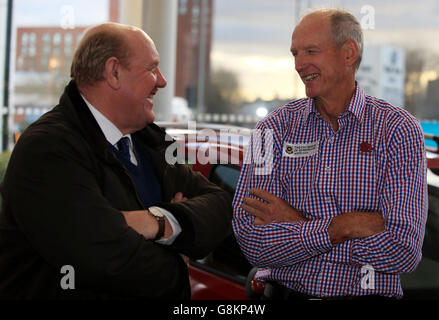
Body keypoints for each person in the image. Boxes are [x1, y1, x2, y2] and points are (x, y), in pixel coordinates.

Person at [0, 22, 232, 299]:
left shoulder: (150, 143)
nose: (162, 81)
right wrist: (177, 259)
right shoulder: (48, 149)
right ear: (114, 72)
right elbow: (103, 257)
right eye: (151, 68)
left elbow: (221, 205)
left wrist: (157, 222)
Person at [232, 9, 427, 300]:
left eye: (311, 51)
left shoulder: (398, 130)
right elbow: (252, 243)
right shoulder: (272, 129)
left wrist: (298, 224)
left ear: (349, 53)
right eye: (295, 53)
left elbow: (403, 251)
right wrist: (342, 227)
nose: (299, 64)